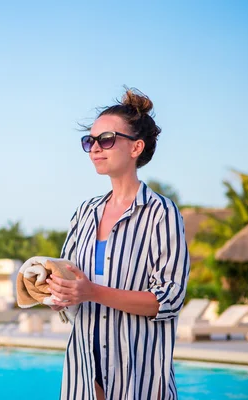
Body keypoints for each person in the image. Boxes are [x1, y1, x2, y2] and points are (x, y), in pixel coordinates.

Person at [47, 87, 190, 400]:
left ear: (136, 147)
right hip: (83, 377)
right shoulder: (84, 212)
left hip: (138, 378)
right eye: (90, 141)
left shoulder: (161, 213)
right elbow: (69, 280)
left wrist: (92, 292)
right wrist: (59, 295)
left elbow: (169, 300)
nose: (95, 148)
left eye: (107, 139)